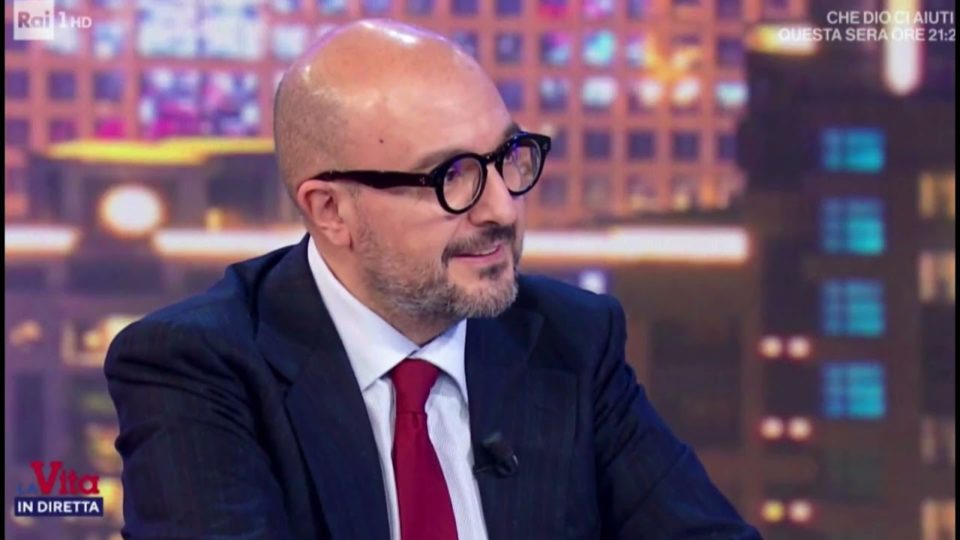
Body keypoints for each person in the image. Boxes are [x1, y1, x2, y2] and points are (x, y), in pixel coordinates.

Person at [105, 19, 761, 540]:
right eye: (453, 177)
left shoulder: (571, 339)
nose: (502, 208)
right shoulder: (198, 367)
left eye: (509, 158)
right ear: (331, 210)